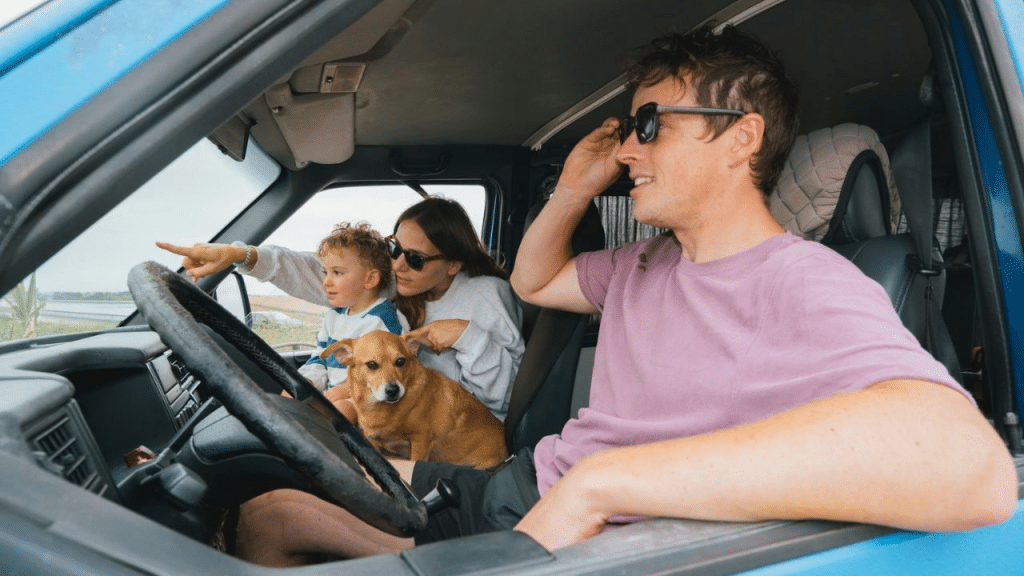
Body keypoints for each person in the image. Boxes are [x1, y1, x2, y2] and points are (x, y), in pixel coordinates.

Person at [227, 24, 1018, 566]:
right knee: (282, 484)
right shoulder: (645, 262)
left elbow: (970, 468)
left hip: (579, 532)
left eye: (651, 124)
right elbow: (533, 280)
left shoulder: (803, 278)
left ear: (740, 137)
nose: (630, 147)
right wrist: (572, 187)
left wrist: (606, 483)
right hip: (525, 480)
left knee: (271, 521)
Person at [157, 197, 524, 421]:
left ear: (454, 264)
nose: (397, 266)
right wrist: (242, 255)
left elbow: (507, 399)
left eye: (414, 259)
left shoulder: (486, 295)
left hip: (448, 432)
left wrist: (467, 336)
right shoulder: (405, 283)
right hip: (390, 415)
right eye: (395, 249)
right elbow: (333, 275)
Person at [295, 222, 406, 399]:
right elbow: (320, 358)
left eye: (337, 273)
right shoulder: (333, 318)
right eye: (326, 272)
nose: (326, 282)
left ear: (370, 279)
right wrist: (309, 380)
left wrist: (345, 391)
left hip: (369, 398)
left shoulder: (384, 320)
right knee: (290, 394)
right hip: (331, 394)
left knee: (341, 407)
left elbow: (398, 369)